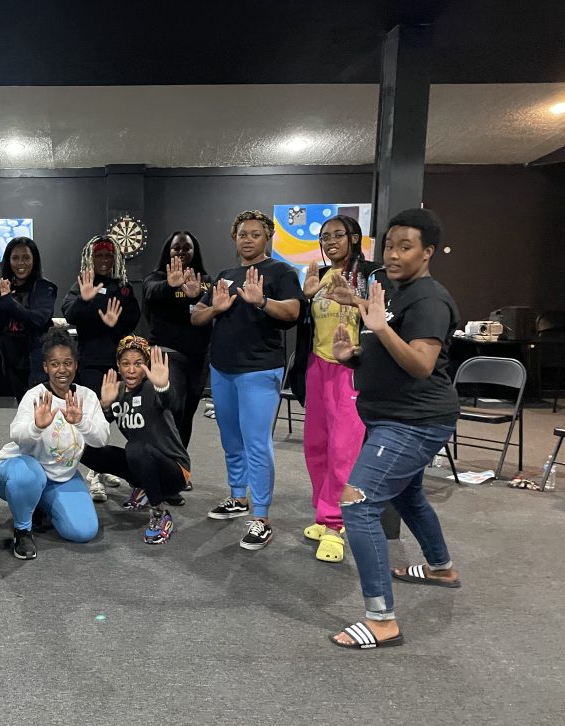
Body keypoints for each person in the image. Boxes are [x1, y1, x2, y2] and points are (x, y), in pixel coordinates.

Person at [328, 208, 461, 650]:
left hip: (413, 423)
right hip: (392, 418)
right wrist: (354, 356)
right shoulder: (396, 292)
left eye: (406, 247)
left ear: (427, 252)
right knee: (406, 494)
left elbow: (421, 364)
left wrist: (379, 328)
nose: (394, 254)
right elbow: (387, 351)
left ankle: (382, 621)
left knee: (358, 505)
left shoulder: (428, 299)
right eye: (389, 245)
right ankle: (441, 567)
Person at [191, 209, 301, 550]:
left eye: (255, 233)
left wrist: (262, 300)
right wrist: (216, 309)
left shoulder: (281, 271)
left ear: (267, 237)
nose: (248, 239)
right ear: (234, 237)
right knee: (230, 438)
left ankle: (262, 516)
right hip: (222, 369)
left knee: (257, 443)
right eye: (243, 234)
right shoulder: (225, 275)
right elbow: (197, 316)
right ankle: (238, 498)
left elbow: (294, 313)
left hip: (259, 370)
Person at [290, 215, 388, 563]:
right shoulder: (321, 275)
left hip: (352, 369)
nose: (330, 241)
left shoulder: (372, 275)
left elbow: (384, 319)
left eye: (337, 235)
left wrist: (356, 302)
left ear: (354, 237)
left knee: (343, 448)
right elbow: (309, 323)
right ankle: (324, 512)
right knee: (316, 445)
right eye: (325, 236)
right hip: (318, 366)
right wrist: (306, 298)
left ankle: (335, 525)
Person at [0, 328, 111, 560]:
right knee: (29, 477)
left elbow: (101, 439)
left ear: (76, 365)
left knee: (84, 530)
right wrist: (37, 426)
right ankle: (22, 529)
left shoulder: (87, 397)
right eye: (55, 364)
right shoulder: (35, 395)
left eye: (68, 363)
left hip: (60, 476)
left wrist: (81, 422)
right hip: (17, 471)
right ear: (45, 367)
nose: (62, 370)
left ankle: (38, 504)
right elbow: (17, 436)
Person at [81, 337, 191, 545]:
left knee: (135, 448)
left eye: (138, 364)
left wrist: (163, 387)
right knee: (86, 451)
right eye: (126, 364)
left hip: (175, 471)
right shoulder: (118, 391)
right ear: (118, 366)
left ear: (146, 366)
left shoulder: (153, 389)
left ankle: (160, 512)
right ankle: (144, 489)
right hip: (142, 462)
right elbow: (98, 432)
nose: (131, 370)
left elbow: (173, 404)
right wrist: (104, 406)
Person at [62, 235, 140, 502]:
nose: (104, 261)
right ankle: (95, 473)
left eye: (108, 256)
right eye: (99, 256)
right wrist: (85, 300)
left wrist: (114, 325)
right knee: (97, 418)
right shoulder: (83, 283)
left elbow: (132, 320)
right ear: (91, 259)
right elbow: (70, 313)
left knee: (120, 418)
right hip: (93, 362)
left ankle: (106, 466)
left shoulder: (123, 287)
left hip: (121, 364)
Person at [142, 231, 212, 448]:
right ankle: (161, 464)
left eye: (186, 248)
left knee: (188, 413)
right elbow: (151, 295)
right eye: (176, 248)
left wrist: (197, 296)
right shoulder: (155, 279)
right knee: (171, 411)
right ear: (168, 251)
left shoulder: (206, 282)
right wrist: (170, 285)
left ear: (195, 251)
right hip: (167, 355)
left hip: (197, 359)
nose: (181, 252)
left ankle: (180, 469)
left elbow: (211, 313)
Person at [0, 236, 57, 401]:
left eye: (26, 258)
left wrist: (8, 302)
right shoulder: (6, 287)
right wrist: (2, 300)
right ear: (8, 261)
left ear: (34, 260)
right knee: (24, 412)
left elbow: (37, 320)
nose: (20, 263)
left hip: (37, 366)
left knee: (41, 412)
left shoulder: (44, 287)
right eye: (15, 258)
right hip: (13, 366)